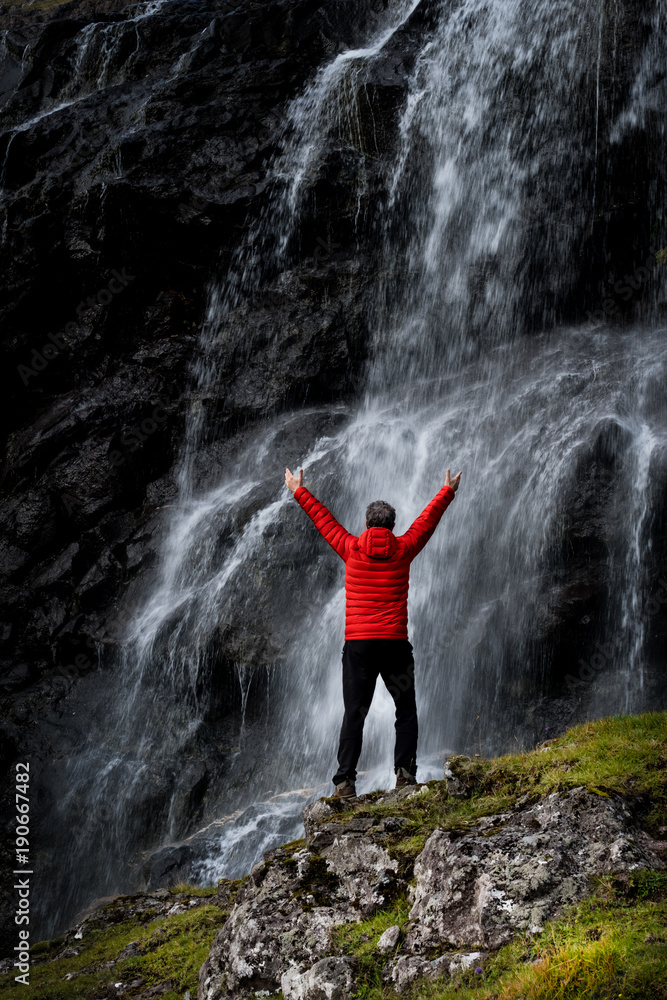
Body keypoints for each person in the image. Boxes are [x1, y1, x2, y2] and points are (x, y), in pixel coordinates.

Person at [284, 465, 462, 798]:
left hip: (359, 648)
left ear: (366, 525)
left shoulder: (350, 548)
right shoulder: (404, 548)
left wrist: (298, 490)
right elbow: (427, 521)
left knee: (355, 713)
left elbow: (323, 520)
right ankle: (406, 775)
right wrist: (447, 491)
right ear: (393, 527)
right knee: (405, 710)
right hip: (395, 645)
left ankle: (344, 782)